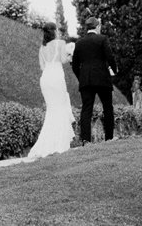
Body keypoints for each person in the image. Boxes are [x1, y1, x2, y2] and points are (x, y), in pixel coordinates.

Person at [27, 22, 75, 159]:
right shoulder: (60, 43)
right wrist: (71, 54)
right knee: (60, 108)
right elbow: (63, 59)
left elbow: (42, 66)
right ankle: (59, 143)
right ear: (54, 31)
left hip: (45, 79)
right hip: (56, 77)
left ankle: (47, 143)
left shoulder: (42, 47)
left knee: (52, 109)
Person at [72, 16, 118, 144]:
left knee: (86, 109)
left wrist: (81, 77)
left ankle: (86, 140)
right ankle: (109, 138)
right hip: (102, 78)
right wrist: (115, 70)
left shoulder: (79, 43)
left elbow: (75, 65)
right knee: (108, 107)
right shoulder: (102, 39)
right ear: (97, 27)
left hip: (86, 80)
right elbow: (110, 56)